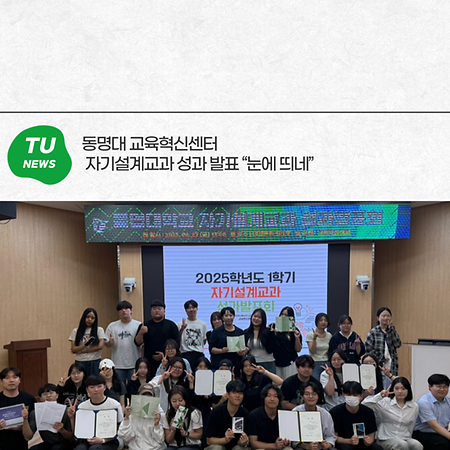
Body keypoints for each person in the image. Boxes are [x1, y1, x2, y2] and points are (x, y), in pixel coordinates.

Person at [363, 377, 422, 450]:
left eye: (403, 389)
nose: (400, 391)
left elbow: (411, 426)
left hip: (404, 438)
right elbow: (364, 404)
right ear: (392, 389)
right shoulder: (385, 402)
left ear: (408, 390)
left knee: (417, 445)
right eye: (396, 388)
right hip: (386, 438)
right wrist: (380, 396)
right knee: (402, 445)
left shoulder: (414, 406)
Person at [69, 374, 124, 450]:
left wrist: (103, 440)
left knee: (95, 449)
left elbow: (120, 428)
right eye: (92, 387)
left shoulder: (114, 405)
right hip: (87, 440)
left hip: (109, 440)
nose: (96, 390)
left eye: (99, 386)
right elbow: (77, 430)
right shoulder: (82, 407)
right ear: (87, 390)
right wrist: (72, 417)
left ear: (104, 387)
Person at [330, 381, 382, 450]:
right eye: (349, 394)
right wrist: (349, 441)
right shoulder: (335, 412)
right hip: (345, 443)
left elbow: (371, 434)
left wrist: (369, 441)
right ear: (343, 395)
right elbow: (333, 437)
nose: (352, 397)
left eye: (355, 395)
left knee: (377, 448)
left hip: (363, 443)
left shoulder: (368, 412)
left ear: (361, 396)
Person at [134, 299, 180, 379]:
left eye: (159, 309)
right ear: (151, 311)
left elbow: (177, 344)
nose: (156, 311)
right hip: (149, 361)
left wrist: (164, 355)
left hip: (167, 360)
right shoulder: (145, 325)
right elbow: (137, 343)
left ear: (164, 311)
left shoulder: (171, 325)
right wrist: (141, 332)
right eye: (154, 309)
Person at [22, 383, 74, 450]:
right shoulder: (35, 412)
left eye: (51, 393)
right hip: (47, 442)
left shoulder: (66, 411)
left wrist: (62, 430)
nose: (48, 396)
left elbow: (71, 437)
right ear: (40, 398)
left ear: (57, 395)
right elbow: (28, 437)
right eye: (45, 394)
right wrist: (25, 419)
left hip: (64, 442)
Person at [105, 301, 143, 385]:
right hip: (118, 363)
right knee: (119, 387)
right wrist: (110, 343)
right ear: (118, 312)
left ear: (131, 311)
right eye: (121, 309)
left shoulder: (138, 325)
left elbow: (142, 344)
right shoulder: (112, 326)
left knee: (133, 387)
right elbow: (106, 344)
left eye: (126, 308)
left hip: (134, 363)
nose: (124, 311)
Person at [118, 383, 165, 450]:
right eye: (143, 396)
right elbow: (123, 436)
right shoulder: (132, 414)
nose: (146, 399)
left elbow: (160, 439)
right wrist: (127, 418)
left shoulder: (157, 414)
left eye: (149, 396)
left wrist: (157, 425)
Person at [206, 380, 250, 450]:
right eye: (234, 392)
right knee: (217, 448)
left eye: (240, 393)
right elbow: (209, 440)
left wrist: (243, 442)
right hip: (220, 445)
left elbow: (245, 441)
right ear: (227, 395)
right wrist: (225, 440)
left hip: (236, 447)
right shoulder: (216, 412)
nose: (237, 396)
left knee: (239, 448)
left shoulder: (245, 413)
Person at [292, 381, 337, 450]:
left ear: (318, 396)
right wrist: (306, 446)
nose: (311, 397)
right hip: (303, 447)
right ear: (302, 397)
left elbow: (330, 436)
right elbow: (293, 440)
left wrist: (328, 444)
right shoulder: (295, 412)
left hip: (321, 447)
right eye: (307, 394)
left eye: (314, 394)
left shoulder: (325, 414)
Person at [0, 367, 36, 450]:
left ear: (19, 380)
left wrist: (24, 422)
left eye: (15, 377)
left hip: (21, 444)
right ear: (1, 381)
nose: (11, 380)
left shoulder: (29, 399)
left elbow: (30, 433)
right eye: (7, 378)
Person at [365, 307, 402, 388]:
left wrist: (392, 330)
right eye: (383, 316)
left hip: (392, 365)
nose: (386, 318)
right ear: (378, 318)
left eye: (388, 316)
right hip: (378, 365)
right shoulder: (373, 332)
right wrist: (381, 357)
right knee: (380, 387)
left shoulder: (392, 331)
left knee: (391, 387)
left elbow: (398, 344)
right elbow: (368, 350)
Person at [412, 373, 450, 450]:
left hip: (440, 432)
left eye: (445, 387)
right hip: (422, 433)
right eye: (438, 386)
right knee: (443, 442)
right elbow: (435, 426)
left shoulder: (448, 401)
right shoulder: (423, 402)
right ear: (430, 387)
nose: (442, 389)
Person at [248, 384, 291, 450]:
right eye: (269, 396)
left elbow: (289, 437)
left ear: (279, 399)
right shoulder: (254, 415)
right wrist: (274, 446)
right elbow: (253, 443)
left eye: (275, 396)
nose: (272, 399)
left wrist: (286, 442)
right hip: (262, 448)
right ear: (264, 398)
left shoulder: (284, 415)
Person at [208, 307, 246, 375]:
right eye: (226, 316)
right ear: (222, 318)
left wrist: (242, 352)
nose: (228, 318)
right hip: (219, 365)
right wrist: (221, 351)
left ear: (234, 317)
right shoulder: (216, 332)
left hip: (235, 365)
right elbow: (212, 349)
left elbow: (244, 349)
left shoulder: (240, 332)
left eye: (230, 315)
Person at [69, 308, 106, 376]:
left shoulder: (99, 330)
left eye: (92, 318)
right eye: (87, 317)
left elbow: (100, 346)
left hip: (95, 360)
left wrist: (83, 351)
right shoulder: (75, 331)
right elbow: (73, 349)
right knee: (80, 380)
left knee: (94, 381)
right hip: (80, 361)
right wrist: (85, 345)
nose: (90, 319)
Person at [270, 306, 302, 379]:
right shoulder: (273, 327)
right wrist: (273, 334)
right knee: (277, 383)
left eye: (286, 315)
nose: (283, 317)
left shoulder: (294, 330)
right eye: (282, 314)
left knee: (289, 382)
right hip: (276, 362)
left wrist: (297, 338)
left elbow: (298, 349)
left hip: (290, 362)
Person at [244, 308, 276, 373]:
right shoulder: (246, 332)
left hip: (267, 363)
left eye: (259, 317)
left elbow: (272, 349)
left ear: (263, 320)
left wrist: (272, 335)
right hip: (253, 364)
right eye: (255, 316)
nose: (256, 319)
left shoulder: (268, 332)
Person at [178, 299, 208, 369]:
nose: (191, 310)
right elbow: (177, 339)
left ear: (197, 309)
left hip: (199, 354)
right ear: (185, 310)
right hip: (186, 354)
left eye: (193, 307)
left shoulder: (203, 324)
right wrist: (182, 329)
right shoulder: (180, 324)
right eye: (189, 308)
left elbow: (204, 341)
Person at [306, 313, 332, 380]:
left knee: (327, 382)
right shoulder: (310, 335)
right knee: (315, 382)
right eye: (321, 320)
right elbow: (312, 351)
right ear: (316, 322)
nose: (323, 322)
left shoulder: (329, 335)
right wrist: (314, 339)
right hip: (315, 363)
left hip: (326, 362)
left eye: (325, 320)